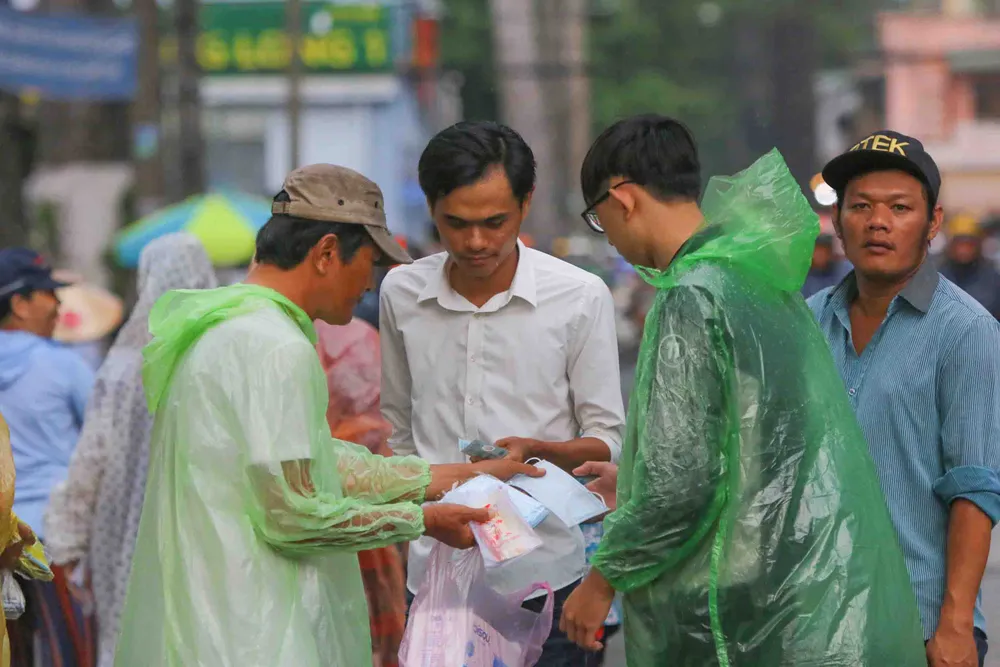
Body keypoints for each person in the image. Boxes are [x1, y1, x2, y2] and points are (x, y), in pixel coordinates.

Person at [111, 164, 540, 667]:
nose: (370, 283)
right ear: (328, 253)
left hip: (212, 615)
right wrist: (423, 520)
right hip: (252, 627)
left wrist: (459, 475)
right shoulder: (274, 346)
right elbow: (291, 514)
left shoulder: (226, 328)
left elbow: (314, 461)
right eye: (371, 264)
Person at [559, 115, 926, 665]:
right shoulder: (753, 278)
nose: (607, 233)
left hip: (718, 612)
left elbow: (681, 486)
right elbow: (762, 445)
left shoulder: (691, 294)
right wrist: (636, 471)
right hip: (781, 586)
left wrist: (601, 582)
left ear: (624, 198)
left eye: (599, 217)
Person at [379, 120, 626, 666]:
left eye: (495, 222)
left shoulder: (579, 297)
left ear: (526, 202)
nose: (475, 242)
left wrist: (540, 451)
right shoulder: (402, 292)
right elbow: (397, 429)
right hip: (436, 578)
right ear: (430, 207)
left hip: (550, 581)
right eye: (455, 224)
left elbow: (608, 438)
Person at [807, 131, 1000, 667]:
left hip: (916, 625)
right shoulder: (808, 321)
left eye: (899, 207)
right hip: (812, 619)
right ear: (839, 220)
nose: (877, 221)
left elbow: (975, 487)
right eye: (861, 206)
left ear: (932, 222)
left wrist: (956, 625)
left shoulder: (966, 331)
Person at [43, 234, 218, 667]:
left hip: (125, 534)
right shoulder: (219, 355)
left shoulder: (122, 367)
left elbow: (91, 460)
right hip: (203, 531)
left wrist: (65, 543)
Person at [0, 248, 96, 666]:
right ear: (19, 304)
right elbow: (101, 443)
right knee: (68, 651)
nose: (58, 304)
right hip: (53, 539)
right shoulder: (64, 365)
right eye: (47, 293)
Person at [314, 317, 406, 667]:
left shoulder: (284, 337)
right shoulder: (361, 338)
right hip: (363, 503)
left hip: (331, 507)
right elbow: (385, 431)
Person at [938, 214, 1000, 319]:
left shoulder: (993, 279)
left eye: (969, 244)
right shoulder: (938, 278)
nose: (964, 250)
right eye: (960, 244)